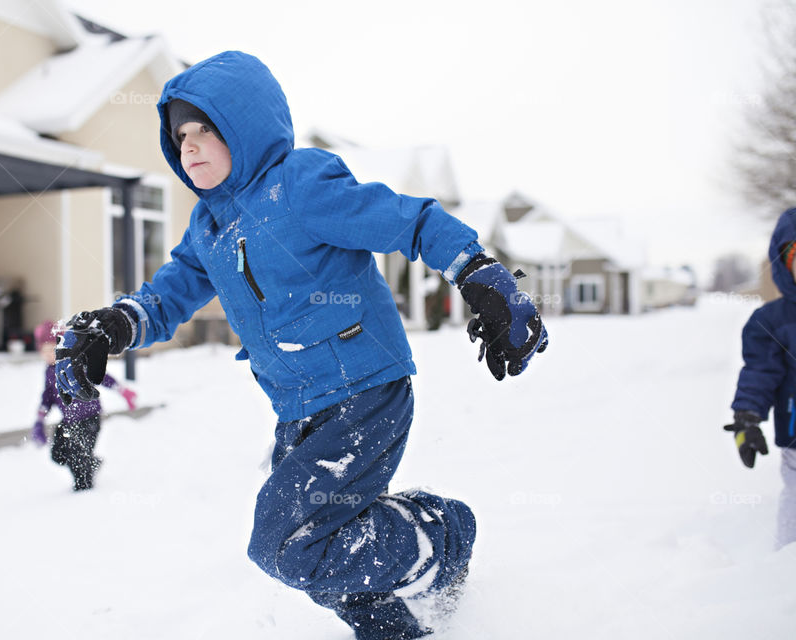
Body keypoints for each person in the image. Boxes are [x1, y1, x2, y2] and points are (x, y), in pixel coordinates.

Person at [54, 51, 547, 638]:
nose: (189, 146)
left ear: (246, 125)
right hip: (299, 408)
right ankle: (389, 626)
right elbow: (169, 294)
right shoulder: (208, 227)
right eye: (179, 135)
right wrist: (114, 326)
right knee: (316, 543)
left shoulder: (301, 185)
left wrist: (478, 274)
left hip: (363, 390)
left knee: (285, 540)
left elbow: (408, 222)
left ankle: (442, 534)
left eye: (205, 128)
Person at [727, 207, 796, 550]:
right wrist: (747, 418)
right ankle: (785, 565)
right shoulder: (773, 320)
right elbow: (760, 371)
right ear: (785, 263)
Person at [32, 320, 136, 491]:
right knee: (58, 454)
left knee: (77, 459)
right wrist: (39, 420)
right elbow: (47, 397)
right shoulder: (49, 371)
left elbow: (100, 376)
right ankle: (91, 463)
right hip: (69, 420)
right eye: (44, 351)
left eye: (51, 349)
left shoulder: (75, 362)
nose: (48, 354)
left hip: (89, 419)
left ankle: (84, 492)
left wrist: (122, 390)